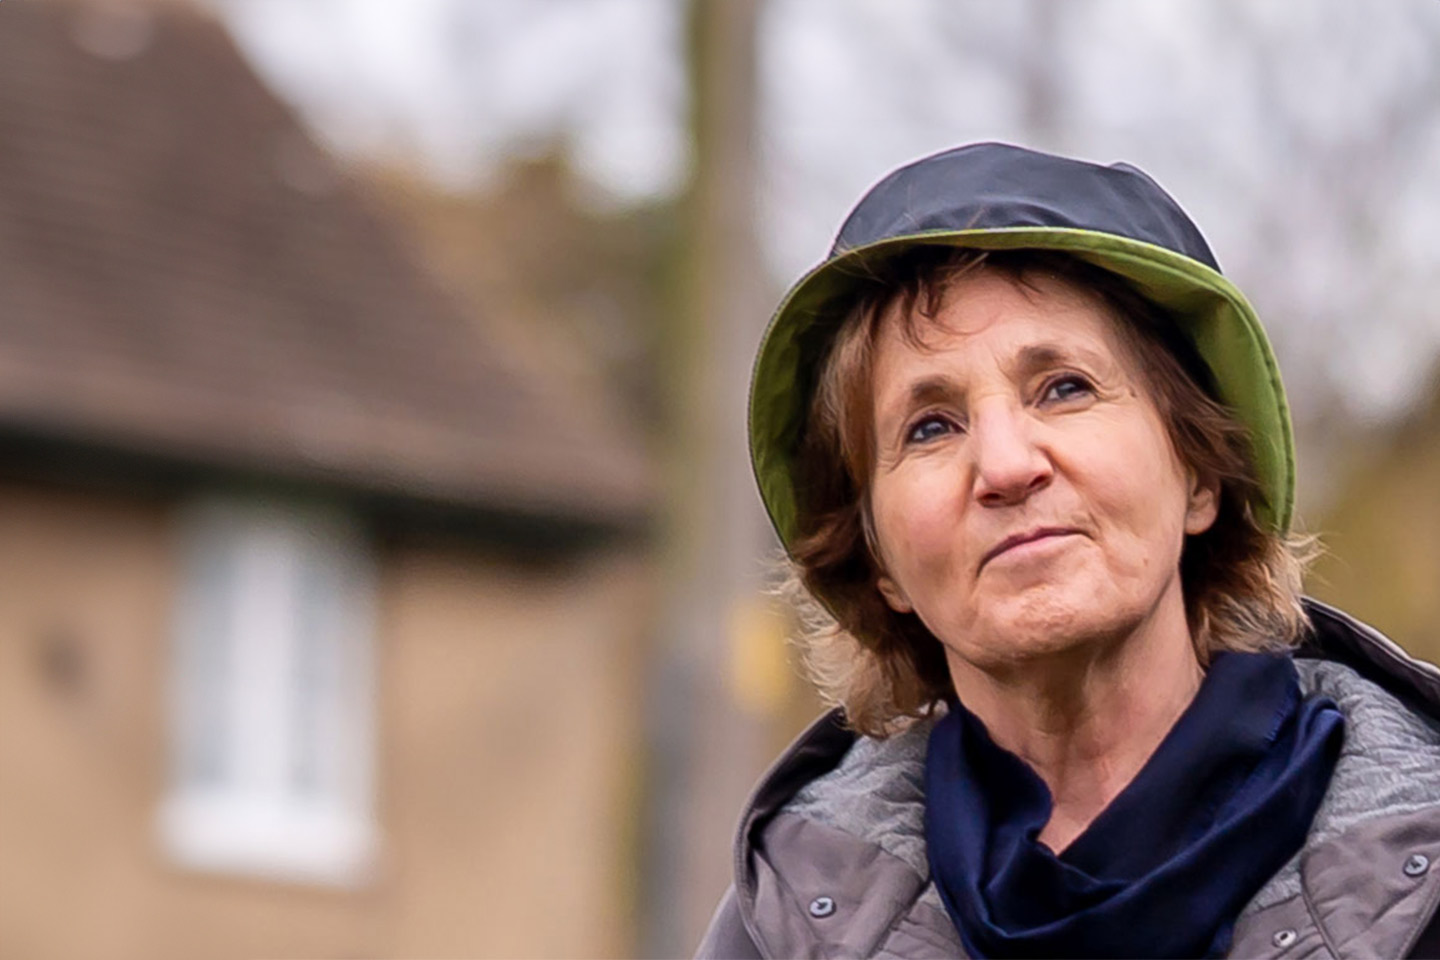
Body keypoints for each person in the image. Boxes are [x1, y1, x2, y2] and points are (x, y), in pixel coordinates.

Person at [697, 143, 1440, 959]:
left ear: (1199, 474)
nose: (1008, 467)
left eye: (1065, 388)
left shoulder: (1420, 870)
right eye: (931, 427)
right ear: (877, 562)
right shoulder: (787, 923)